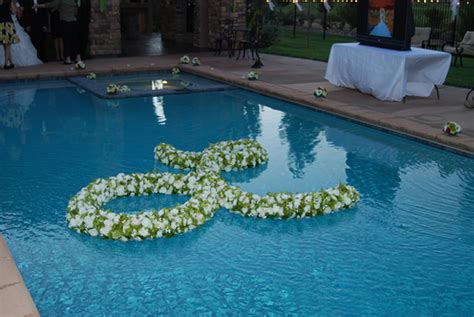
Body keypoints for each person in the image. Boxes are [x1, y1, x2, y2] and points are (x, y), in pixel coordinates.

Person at [34, 0, 81, 65]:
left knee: (66, 40)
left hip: (65, 22)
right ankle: (78, 58)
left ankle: (68, 59)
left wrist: (38, 5)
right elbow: (76, 12)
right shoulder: (72, 1)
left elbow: (50, 5)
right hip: (73, 22)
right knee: (74, 40)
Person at [0, 0, 20, 69]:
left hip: (1, 24)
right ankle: (6, 64)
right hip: (8, 24)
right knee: (7, 44)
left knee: (5, 45)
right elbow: (14, 12)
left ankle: (11, 63)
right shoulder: (9, 1)